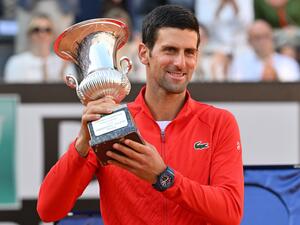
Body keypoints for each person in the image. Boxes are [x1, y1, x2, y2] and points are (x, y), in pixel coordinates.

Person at [37, 5, 244, 225]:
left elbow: (230, 212)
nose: (181, 63)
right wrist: (81, 145)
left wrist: (163, 177)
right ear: (144, 53)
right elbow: (49, 210)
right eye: (170, 50)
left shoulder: (219, 122)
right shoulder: (111, 122)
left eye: (189, 52)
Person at [4, 13, 76, 83]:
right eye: (36, 30)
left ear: (53, 35)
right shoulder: (16, 62)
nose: (42, 34)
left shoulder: (63, 62)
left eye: (47, 30)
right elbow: (13, 91)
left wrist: (61, 74)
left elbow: (71, 92)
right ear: (28, 34)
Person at [229, 20, 300, 82]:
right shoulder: (240, 63)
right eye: (257, 37)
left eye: (266, 36)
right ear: (249, 41)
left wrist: (276, 79)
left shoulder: (288, 63)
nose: (262, 42)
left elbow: (294, 92)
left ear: (272, 38)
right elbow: (235, 91)